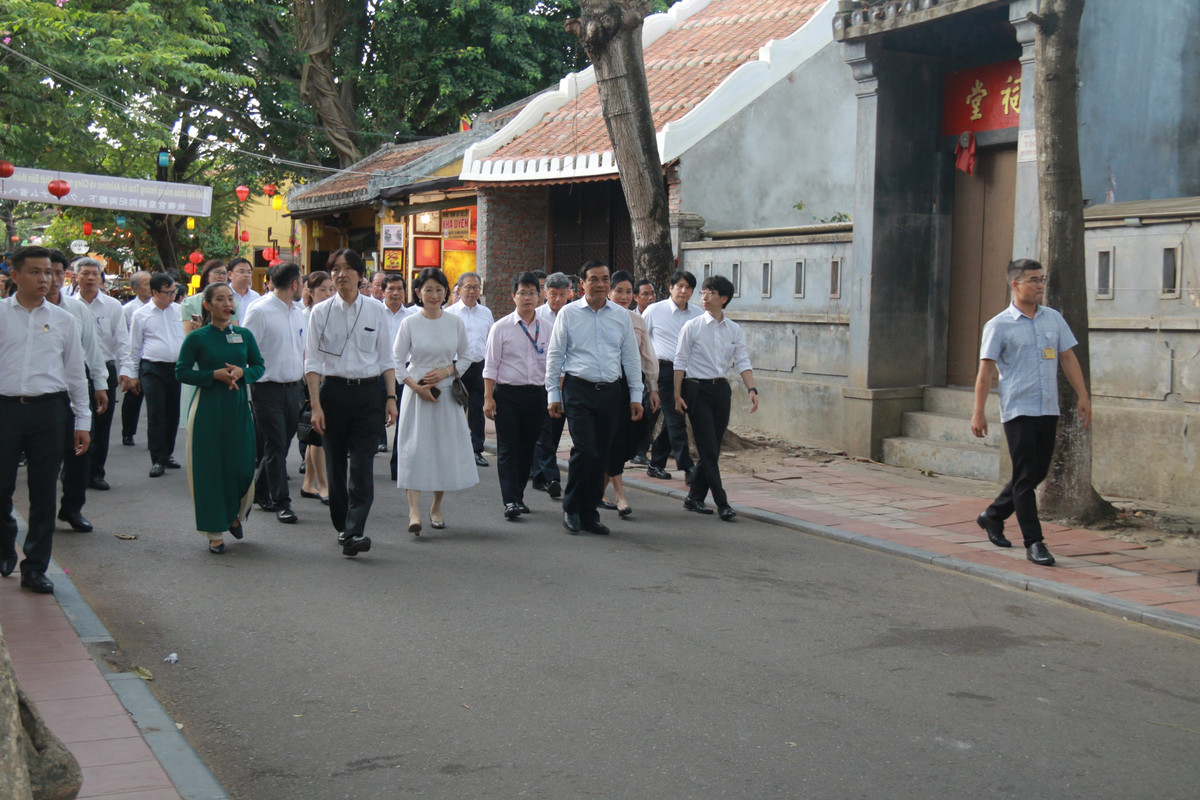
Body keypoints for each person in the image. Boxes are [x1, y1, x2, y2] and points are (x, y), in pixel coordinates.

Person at [971, 258, 1091, 567]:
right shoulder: (998, 325)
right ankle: (1034, 542)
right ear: (1015, 285)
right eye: (1033, 280)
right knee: (1025, 478)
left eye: (1041, 280)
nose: (1039, 285)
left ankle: (993, 515)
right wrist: (978, 413)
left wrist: (1083, 396)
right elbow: (985, 372)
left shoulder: (1053, 319)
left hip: (1047, 408)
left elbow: (1067, 357)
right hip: (1018, 409)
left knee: (1036, 473)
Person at [0, 247, 91, 593]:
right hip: (5, 408)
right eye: (36, 272)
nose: (45, 279)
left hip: (49, 412)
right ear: (16, 275)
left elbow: (74, 374)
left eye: (49, 273)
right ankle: (5, 541)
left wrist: (83, 421)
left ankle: (35, 567)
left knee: (43, 492)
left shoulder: (65, 320)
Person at [304, 249, 398, 557]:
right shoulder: (319, 312)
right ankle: (342, 523)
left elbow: (386, 357)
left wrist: (390, 397)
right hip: (334, 394)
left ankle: (356, 529)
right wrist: (316, 406)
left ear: (360, 275)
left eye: (347, 269)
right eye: (335, 270)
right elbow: (313, 362)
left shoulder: (376, 310)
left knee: (361, 463)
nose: (341, 274)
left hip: (369, 394)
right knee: (335, 463)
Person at [544, 260, 643, 536]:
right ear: (582, 284)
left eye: (605, 278)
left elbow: (631, 358)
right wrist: (553, 393)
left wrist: (637, 394)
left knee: (602, 453)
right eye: (594, 279)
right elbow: (555, 355)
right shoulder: (569, 314)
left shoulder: (621, 316)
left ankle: (590, 512)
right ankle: (571, 507)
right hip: (578, 390)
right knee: (585, 449)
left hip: (611, 392)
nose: (601, 284)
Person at [176, 283, 265, 553]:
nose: (228, 304)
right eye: (221, 299)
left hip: (237, 406)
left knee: (242, 464)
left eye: (230, 299)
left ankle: (235, 513)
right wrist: (212, 375)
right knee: (210, 469)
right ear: (207, 305)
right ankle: (214, 531)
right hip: (207, 408)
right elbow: (181, 372)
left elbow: (259, 366)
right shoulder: (197, 338)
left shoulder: (244, 335)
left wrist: (241, 373)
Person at [393, 268, 479, 533]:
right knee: (414, 449)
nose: (433, 295)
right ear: (417, 293)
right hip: (417, 391)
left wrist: (447, 371)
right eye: (428, 290)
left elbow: (466, 356)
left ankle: (437, 506)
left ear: (446, 293)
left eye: (439, 289)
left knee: (443, 450)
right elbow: (396, 360)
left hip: (445, 392)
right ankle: (414, 510)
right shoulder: (409, 322)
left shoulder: (454, 322)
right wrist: (414, 387)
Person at [674, 275, 757, 522]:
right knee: (708, 449)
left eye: (709, 293)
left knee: (712, 448)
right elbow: (680, 362)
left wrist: (752, 389)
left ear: (724, 298)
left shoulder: (734, 329)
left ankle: (694, 497)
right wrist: (677, 395)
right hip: (697, 391)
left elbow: (743, 360)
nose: (704, 297)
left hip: (721, 392)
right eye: (702, 292)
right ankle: (722, 502)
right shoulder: (692, 326)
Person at [47, 251, 107, 535]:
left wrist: (100, 384)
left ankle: (72, 508)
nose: (52, 279)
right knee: (42, 454)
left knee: (80, 449)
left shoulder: (76, 309)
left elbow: (92, 349)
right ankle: (41, 512)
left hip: (75, 383)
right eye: (47, 272)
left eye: (59, 273)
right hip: (38, 388)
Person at [483, 272, 551, 520]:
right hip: (508, 395)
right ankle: (510, 500)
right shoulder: (500, 327)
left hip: (537, 395)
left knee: (528, 448)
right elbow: (490, 366)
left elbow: (555, 365)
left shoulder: (549, 328)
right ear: (514, 296)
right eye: (522, 293)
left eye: (532, 293)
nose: (528, 298)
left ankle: (518, 495)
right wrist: (488, 398)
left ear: (539, 296)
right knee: (508, 448)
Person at [241, 262, 305, 525]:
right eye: (301, 282)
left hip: (294, 388)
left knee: (282, 442)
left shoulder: (299, 311)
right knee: (276, 443)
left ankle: (259, 490)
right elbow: (246, 350)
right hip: (267, 388)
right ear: (293, 285)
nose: (303, 286)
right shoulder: (260, 311)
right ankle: (282, 501)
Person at [600, 271, 659, 517]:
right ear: (609, 292)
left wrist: (653, 387)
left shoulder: (637, 320)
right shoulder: (598, 317)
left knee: (627, 440)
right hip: (606, 385)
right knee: (611, 439)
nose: (623, 297)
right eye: (619, 291)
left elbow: (647, 355)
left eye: (628, 292)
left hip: (632, 386)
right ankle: (620, 496)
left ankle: (597, 490)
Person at [121, 273, 185, 477]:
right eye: (168, 292)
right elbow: (134, 347)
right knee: (157, 412)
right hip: (152, 368)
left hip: (175, 368)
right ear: (155, 292)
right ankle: (157, 458)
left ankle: (168, 453)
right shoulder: (141, 314)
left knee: (173, 412)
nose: (172, 296)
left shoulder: (179, 311)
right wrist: (133, 374)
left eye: (174, 291)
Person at [71, 258, 127, 493]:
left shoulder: (112, 306)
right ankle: (74, 473)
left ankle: (96, 473)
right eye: (85, 273)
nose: (91, 278)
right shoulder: (67, 305)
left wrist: (127, 370)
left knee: (102, 424)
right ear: (76, 277)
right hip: (74, 370)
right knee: (77, 423)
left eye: (95, 274)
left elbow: (123, 339)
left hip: (104, 368)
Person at [643, 270, 702, 483]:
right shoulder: (654, 311)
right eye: (680, 286)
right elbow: (640, 338)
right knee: (676, 419)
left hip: (688, 372)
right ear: (671, 288)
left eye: (688, 288)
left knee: (675, 418)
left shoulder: (697, 314)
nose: (683, 291)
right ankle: (688, 467)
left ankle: (656, 462)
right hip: (663, 371)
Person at [529, 272, 573, 498]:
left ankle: (539, 475)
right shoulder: (536, 316)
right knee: (544, 430)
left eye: (562, 295)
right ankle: (551, 476)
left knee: (555, 430)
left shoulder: (573, 314)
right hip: (542, 381)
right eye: (553, 294)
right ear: (545, 293)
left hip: (567, 381)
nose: (557, 299)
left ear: (569, 294)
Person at [445, 271, 493, 466]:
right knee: (454, 408)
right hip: (457, 367)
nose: (473, 291)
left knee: (476, 410)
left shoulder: (486, 312)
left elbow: (490, 341)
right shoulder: (450, 313)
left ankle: (476, 449)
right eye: (468, 287)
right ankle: (452, 449)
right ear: (459, 289)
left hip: (479, 367)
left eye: (476, 287)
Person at [299, 271, 332, 505]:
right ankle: (323, 484)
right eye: (322, 290)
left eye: (331, 289)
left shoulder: (334, 314)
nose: (329, 294)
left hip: (329, 379)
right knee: (318, 434)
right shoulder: (304, 316)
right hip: (311, 380)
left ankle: (308, 483)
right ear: (309, 292)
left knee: (314, 436)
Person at [382, 273, 414, 472]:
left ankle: (398, 468)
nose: (395, 293)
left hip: (403, 374)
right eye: (391, 289)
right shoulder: (375, 312)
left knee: (403, 424)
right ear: (383, 291)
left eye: (399, 289)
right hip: (377, 374)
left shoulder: (412, 316)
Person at [120, 270, 152, 446]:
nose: (150, 287)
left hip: (152, 358)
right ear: (136, 288)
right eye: (147, 284)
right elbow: (123, 338)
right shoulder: (127, 310)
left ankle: (154, 437)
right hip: (134, 358)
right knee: (133, 397)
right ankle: (128, 432)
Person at [181, 260, 230, 334]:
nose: (221, 276)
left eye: (224, 273)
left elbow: (233, 335)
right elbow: (189, 337)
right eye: (217, 272)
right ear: (207, 274)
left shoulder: (232, 302)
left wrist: (202, 329)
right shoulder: (189, 303)